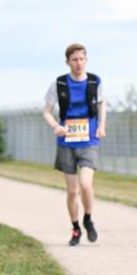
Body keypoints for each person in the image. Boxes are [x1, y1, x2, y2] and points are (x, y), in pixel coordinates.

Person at [43, 43, 105, 246]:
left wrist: (102, 125)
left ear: (86, 60)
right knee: (71, 191)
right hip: (66, 140)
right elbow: (47, 111)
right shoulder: (59, 84)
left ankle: (88, 218)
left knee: (86, 184)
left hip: (89, 139)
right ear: (67, 62)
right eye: (74, 60)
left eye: (81, 59)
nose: (78, 63)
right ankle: (76, 227)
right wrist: (55, 126)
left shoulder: (95, 81)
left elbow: (102, 103)